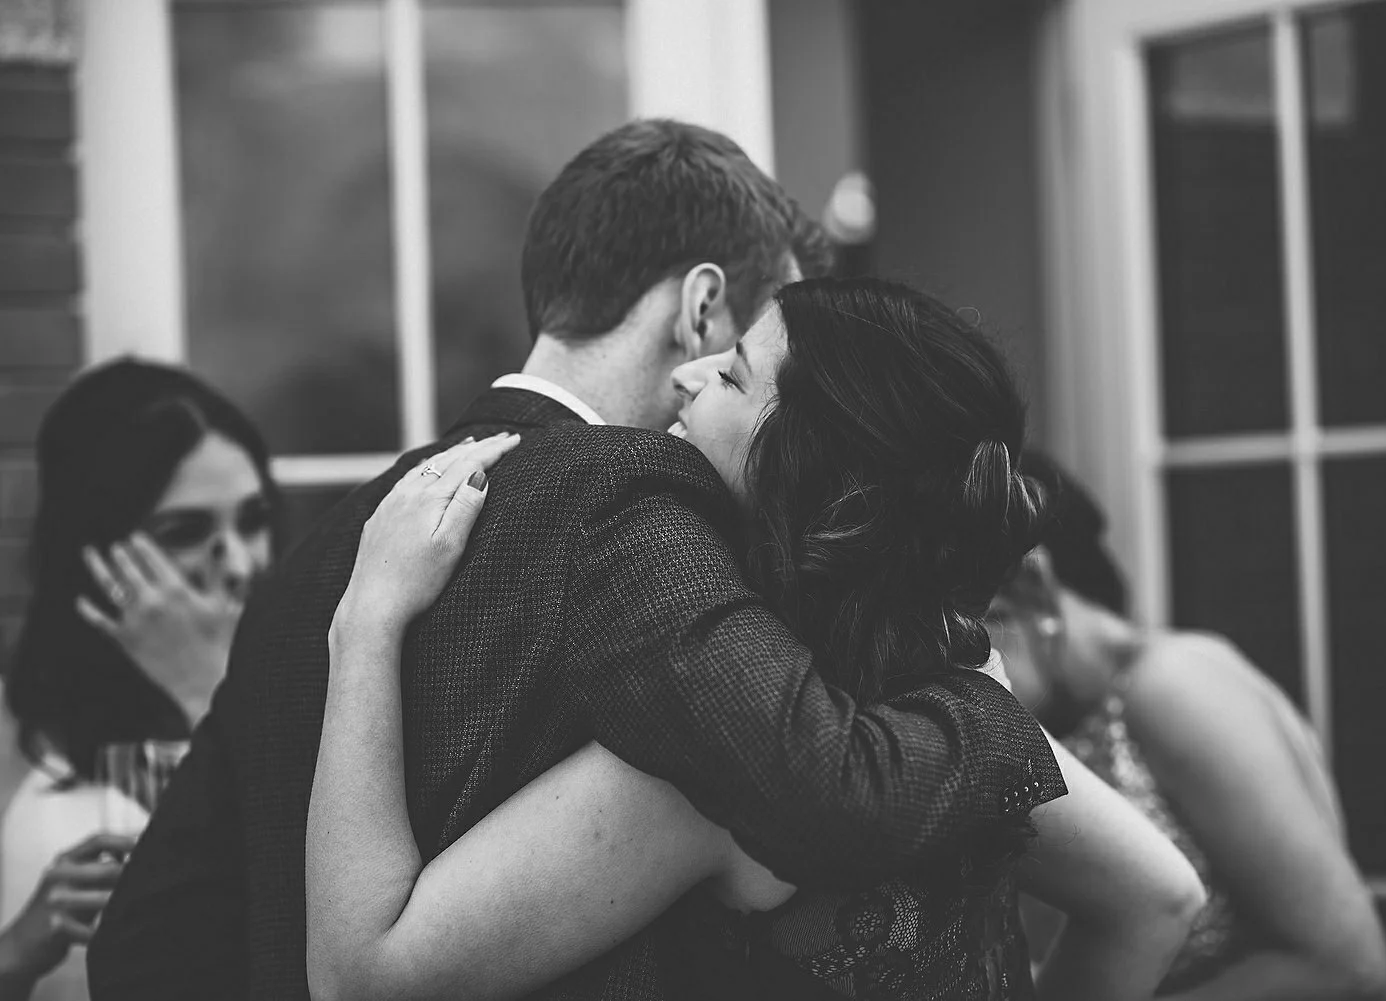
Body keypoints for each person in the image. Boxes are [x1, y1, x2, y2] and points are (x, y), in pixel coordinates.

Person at [90, 120, 1102, 1001]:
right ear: (702, 307)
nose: (731, 368)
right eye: (754, 334)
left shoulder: (330, 549)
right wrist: (989, 702)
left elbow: (145, 944)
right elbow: (821, 779)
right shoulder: (637, 503)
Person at [305, 278, 1208, 1000]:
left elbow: (365, 976)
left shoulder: (709, 776)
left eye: (732, 375)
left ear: (795, 473)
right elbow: (1158, 899)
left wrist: (368, 624)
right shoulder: (956, 698)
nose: (688, 376)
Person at [986, 452, 1386, 1000]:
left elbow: (1347, 969)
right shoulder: (1063, 723)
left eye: (969, 633)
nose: (960, 675)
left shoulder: (1173, 687)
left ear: (1033, 590)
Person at [1, 359, 280, 1001]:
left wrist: (208, 686)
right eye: (186, 532)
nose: (238, 564)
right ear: (94, 549)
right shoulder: (20, 729)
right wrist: (12, 957)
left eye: (253, 520)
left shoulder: (308, 689)